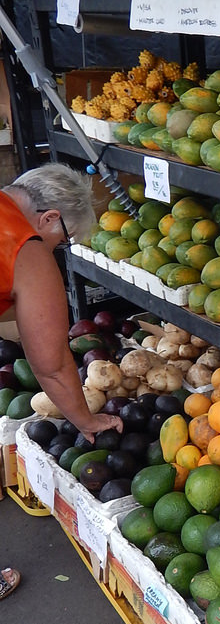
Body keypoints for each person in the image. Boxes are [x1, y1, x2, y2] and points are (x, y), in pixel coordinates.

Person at [0, 163, 123, 600]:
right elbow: (51, 363)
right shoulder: (27, 247)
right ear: (49, 218)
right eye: (64, 239)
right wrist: (86, 420)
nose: (60, 248)